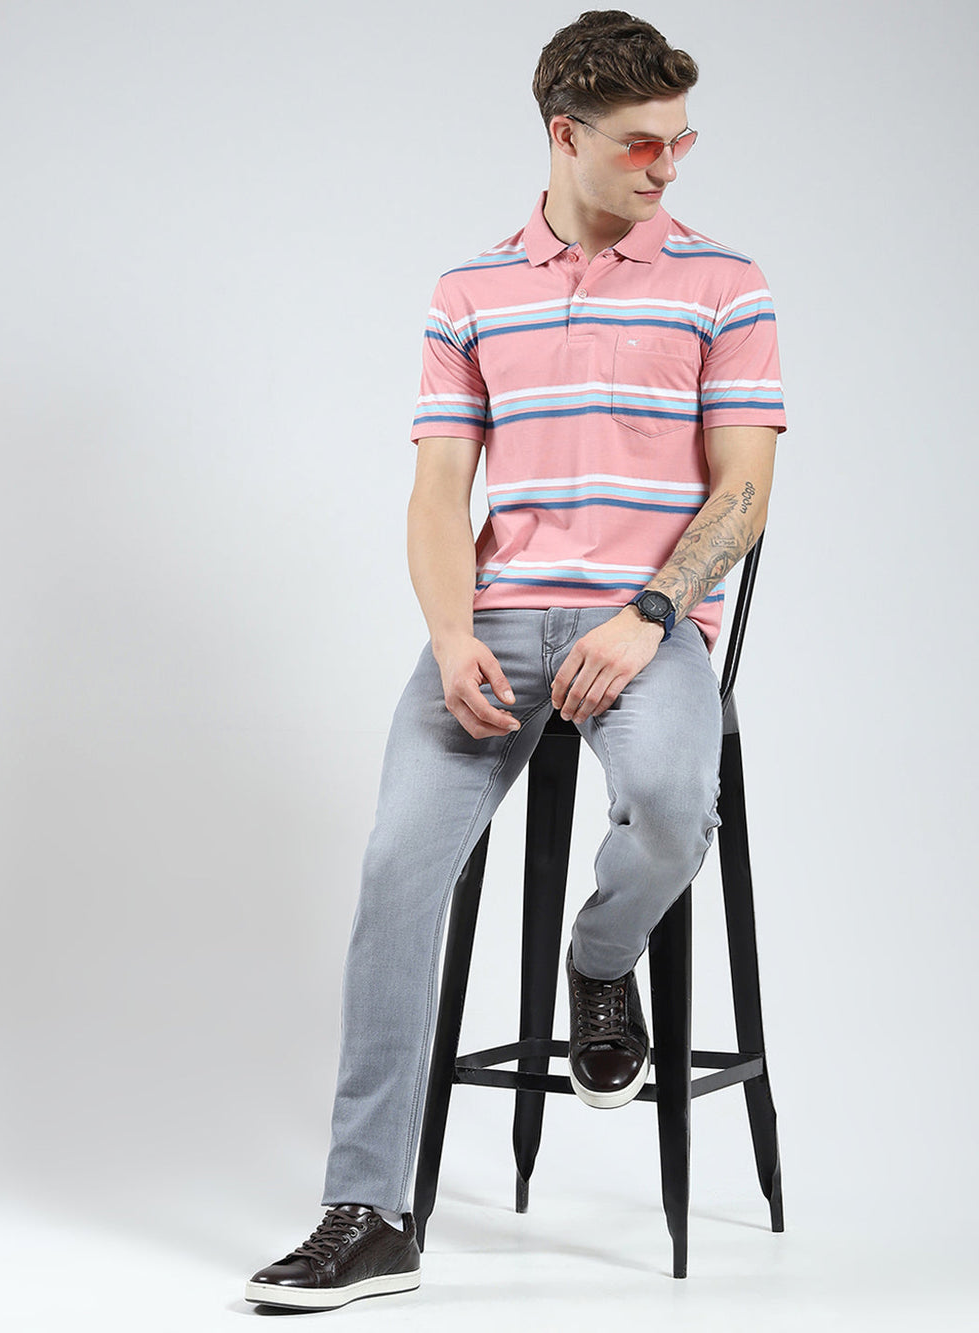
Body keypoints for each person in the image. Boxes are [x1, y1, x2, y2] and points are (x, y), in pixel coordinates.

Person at [245, 8, 786, 1311]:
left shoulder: (724, 283)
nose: (668, 164)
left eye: (681, 139)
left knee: (672, 802)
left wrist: (646, 613)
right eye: (642, 143)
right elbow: (439, 494)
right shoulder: (471, 289)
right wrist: (450, 635)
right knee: (394, 870)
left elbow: (746, 492)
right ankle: (367, 1211)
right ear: (565, 134)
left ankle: (598, 958)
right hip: (493, 628)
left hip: (646, 628)